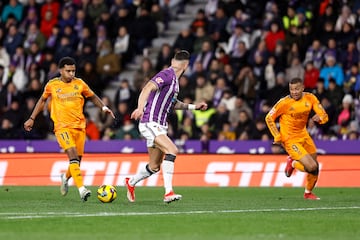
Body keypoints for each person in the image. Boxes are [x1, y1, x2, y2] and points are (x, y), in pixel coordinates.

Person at [24, 57, 115, 202]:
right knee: (72, 154)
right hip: (62, 127)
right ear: (60, 70)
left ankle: (65, 177)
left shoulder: (79, 84)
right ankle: (82, 189)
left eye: (73, 71)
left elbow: (92, 96)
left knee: (77, 161)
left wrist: (103, 107)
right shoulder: (52, 85)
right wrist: (32, 118)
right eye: (68, 71)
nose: (71, 73)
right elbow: (42, 100)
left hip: (79, 127)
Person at [126, 50, 207, 203]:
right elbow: (147, 88)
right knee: (172, 150)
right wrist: (140, 107)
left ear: (172, 60)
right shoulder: (167, 74)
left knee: (154, 166)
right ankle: (168, 192)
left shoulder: (175, 83)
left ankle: (130, 182)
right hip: (150, 122)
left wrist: (194, 107)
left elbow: (173, 104)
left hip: (160, 125)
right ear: (187, 65)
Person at [265, 77, 329, 200]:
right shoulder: (284, 103)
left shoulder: (310, 98)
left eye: (296, 89)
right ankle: (293, 163)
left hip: (304, 135)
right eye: (291, 89)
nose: (294, 92)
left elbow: (323, 114)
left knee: (315, 166)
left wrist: (321, 118)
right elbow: (269, 118)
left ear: (303, 88)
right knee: (311, 167)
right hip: (290, 139)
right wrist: (277, 136)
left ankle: (308, 193)